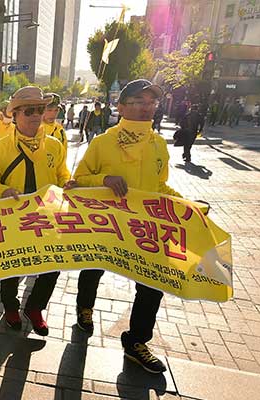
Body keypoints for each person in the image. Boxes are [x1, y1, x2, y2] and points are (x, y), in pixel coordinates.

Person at [73, 79, 179, 374]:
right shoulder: (103, 142)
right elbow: (79, 179)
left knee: (152, 284)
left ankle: (136, 343)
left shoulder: (158, 144)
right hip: (106, 226)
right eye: (138, 102)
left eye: (151, 103)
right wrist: (104, 179)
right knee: (93, 268)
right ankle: (85, 308)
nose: (147, 108)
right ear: (120, 107)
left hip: (146, 228)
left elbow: (160, 186)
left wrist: (188, 206)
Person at [0, 86, 71, 336]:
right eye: (29, 110)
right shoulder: (0, 147)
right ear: (15, 115)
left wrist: (68, 183)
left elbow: (63, 175)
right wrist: (1, 190)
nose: (36, 115)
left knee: (53, 264)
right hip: (13, 217)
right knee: (11, 265)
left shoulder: (55, 146)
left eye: (40, 109)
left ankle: (35, 308)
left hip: (47, 216)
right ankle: (10, 307)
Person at [40, 93, 68, 157]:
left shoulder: (60, 130)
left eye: (56, 110)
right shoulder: (33, 128)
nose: (53, 114)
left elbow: (63, 154)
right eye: (49, 110)